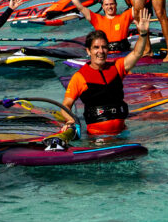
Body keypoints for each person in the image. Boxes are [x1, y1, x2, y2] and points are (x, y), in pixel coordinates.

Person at [60, 9, 152, 140]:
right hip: (96, 139)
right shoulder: (80, 77)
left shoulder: (117, 67)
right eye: (96, 48)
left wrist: (143, 34)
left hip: (123, 135)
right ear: (88, 51)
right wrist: (70, 121)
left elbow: (137, 53)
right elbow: (65, 107)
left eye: (104, 47)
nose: (101, 51)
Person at [64, 0, 135, 53]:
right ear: (103, 7)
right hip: (106, 54)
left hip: (124, 52)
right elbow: (80, 7)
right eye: (106, 5)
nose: (109, 7)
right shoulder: (97, 19)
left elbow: (137, 7)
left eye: (112, 4)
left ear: (116, 5)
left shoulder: (124, 16)